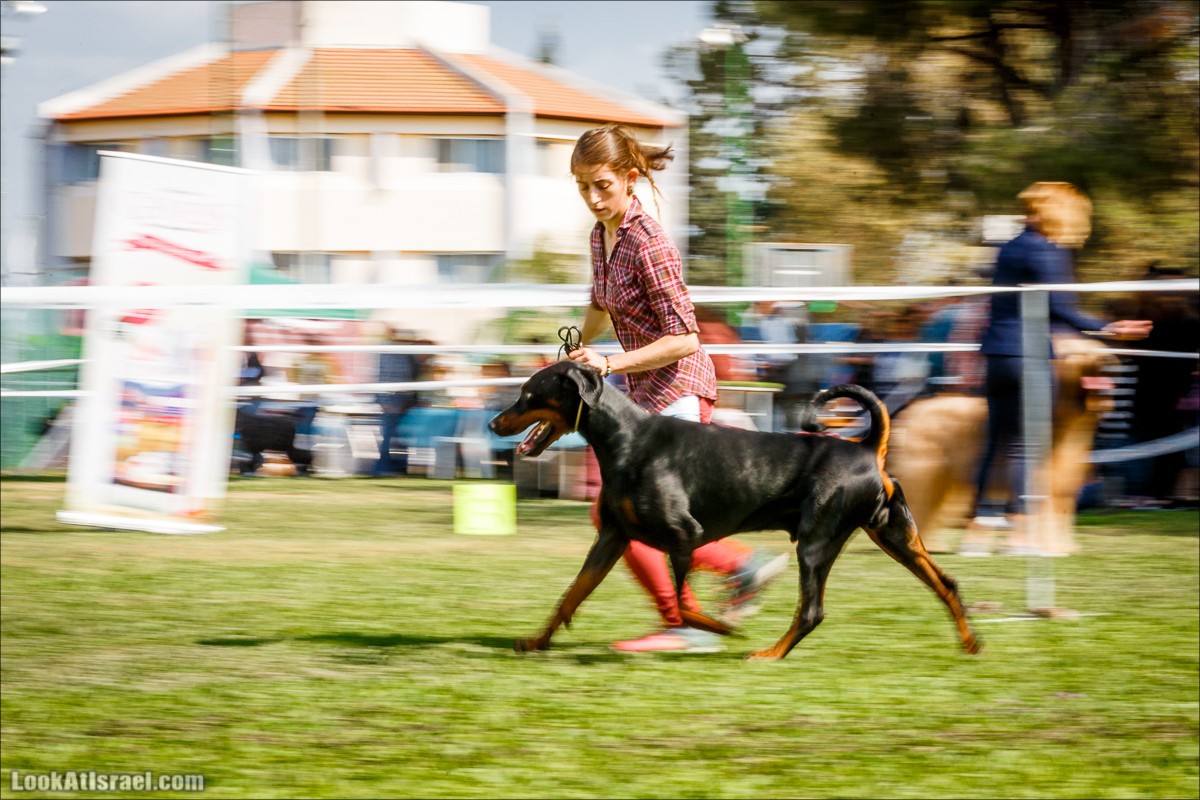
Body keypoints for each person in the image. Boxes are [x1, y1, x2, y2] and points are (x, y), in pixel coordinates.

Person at [564, 123, 786, 653]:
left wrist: (611, 361)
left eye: (602, 185)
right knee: (621, 512)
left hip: (679, 387)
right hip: (641, 393)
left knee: (628, 514)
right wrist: (574, 349)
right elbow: (601, 305)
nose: (593, 198)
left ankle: (689, 620)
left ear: (630, 178)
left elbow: (685, 339)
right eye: (582, 187)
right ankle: (737, 569)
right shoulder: (602, 236)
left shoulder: (650, 243)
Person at [961, 181, 1151, 555]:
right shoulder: (1049, 251)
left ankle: (977, 533)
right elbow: (1061, 308)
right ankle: (1022, 534)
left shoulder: (1010, 247)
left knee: (996, 444)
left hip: (997, 356)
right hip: (1029, 356)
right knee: (1029, 449)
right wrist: (1110, 327)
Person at [374, 326, 420, 476]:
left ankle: (392, 467)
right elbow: (390, 376)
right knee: (392, 436)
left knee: (396, 436)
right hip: (394, 399)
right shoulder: (393, 350)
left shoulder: (401, 351)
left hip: (399, 399)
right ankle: (387, 468)